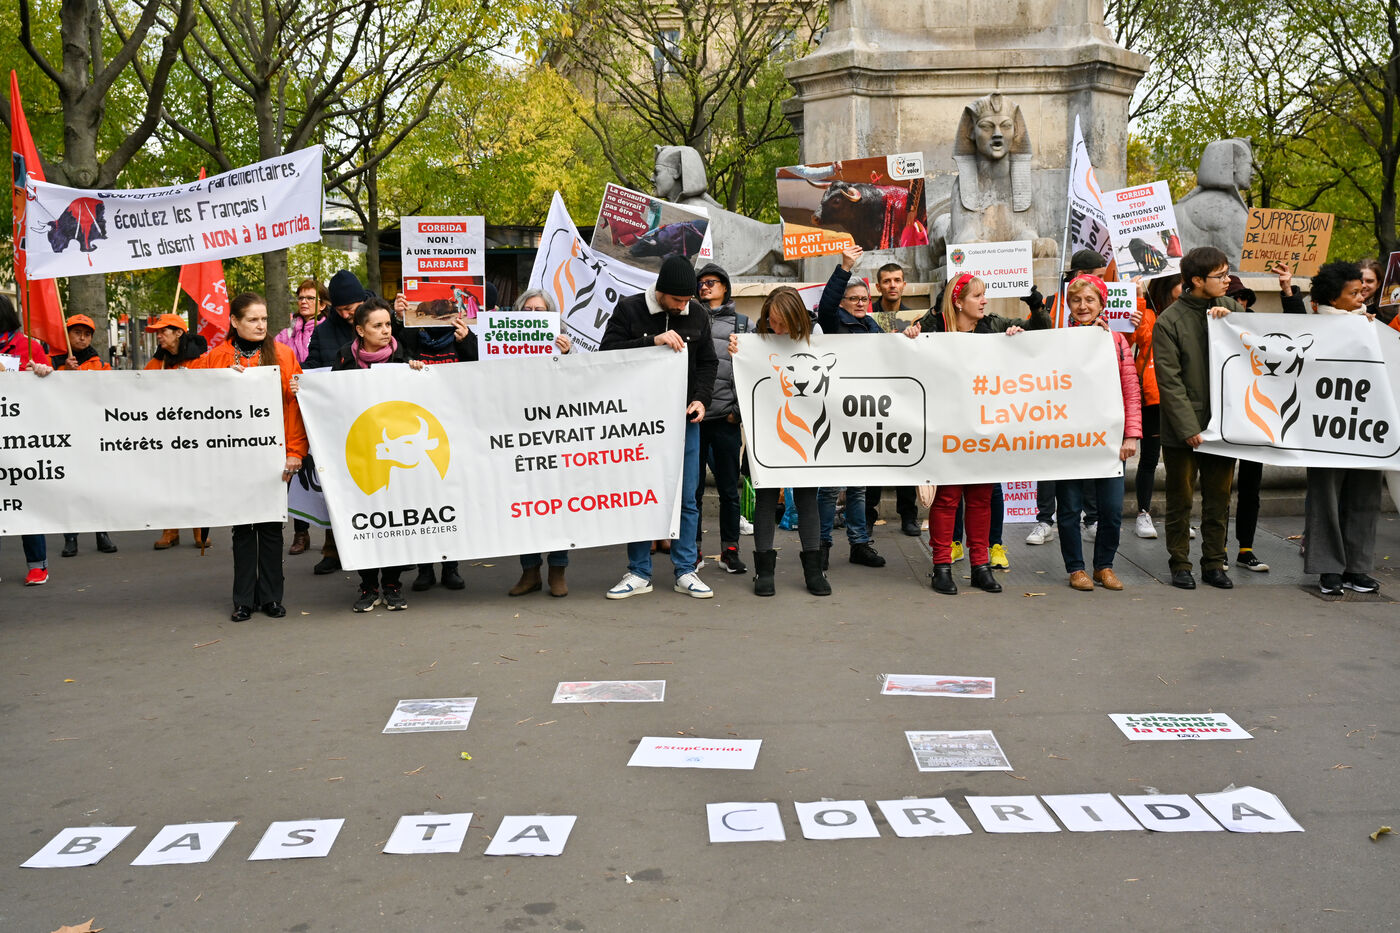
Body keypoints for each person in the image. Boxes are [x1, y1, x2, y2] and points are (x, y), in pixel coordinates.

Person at [908, 273, 1050, 594]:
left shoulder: (994, 326)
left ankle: (980, 567)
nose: (984, 300)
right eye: (977, 296)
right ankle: (942, 567)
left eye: (984, 294)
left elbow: (1041, 333)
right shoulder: (934, 329)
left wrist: (1030, 318)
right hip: (947, 429)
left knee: (981, 498)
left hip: (984, 428)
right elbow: (905, 353)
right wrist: (910, 335)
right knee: (947, 499)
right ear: (958, 302)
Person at [600, 255, 717, 599]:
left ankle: (686, 570)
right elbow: (606, 354)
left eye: (688, 300)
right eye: (678, 300)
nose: (683, 306)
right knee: (639, 494)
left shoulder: (697, 314)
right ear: (660, 292)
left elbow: (708, 362)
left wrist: (701, 399)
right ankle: (639, 571)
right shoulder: (629, 309)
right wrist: (651, 341)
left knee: (687, 497)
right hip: (638, 422)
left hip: (683, 419)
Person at [194, 292, 307, 620]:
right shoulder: (215, 358)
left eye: (264, 319)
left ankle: (271, 597)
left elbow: (295, 410)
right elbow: (187, 393)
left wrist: (295, 452)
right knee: (243, 528)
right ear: (234, 321)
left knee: (271, 527)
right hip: (235, 459)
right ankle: (243, 599)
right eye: (253, 319)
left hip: (276, 457)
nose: (260, 325)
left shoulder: (284, 355)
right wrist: (218, 382)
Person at [726, 287, 830, 596]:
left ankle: (814, 570)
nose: (777, 329)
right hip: (769, 428)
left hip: (807, 429)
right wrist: (738, 355)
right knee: (767, 497)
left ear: (797, 318)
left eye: (784, 323)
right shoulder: (757, 336)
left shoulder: (816, 334)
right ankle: (764, 572)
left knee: (807, 498)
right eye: (772, 321)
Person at [1152, 246, 1241, 590]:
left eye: (1227, 273)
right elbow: (1169, 381)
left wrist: (1231, 321)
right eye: (1220, 275)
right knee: (1181, 499)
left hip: (1224, 425)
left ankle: (1214, 563)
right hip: (1183, 430)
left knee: (1219, 499)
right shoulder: (1169, 321)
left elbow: (1259, 345)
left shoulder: (1232, 309)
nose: (1228, 280)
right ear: (1197, 280)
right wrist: (1188, 427)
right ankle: (1180, 563)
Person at [332, 298, 428, 611]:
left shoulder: (403, 358)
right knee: (364, 518)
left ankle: (392, 583)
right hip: (361, 452)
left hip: (395, 457)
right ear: (360, 330)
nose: (386, 330)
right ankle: (368, 585)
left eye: (388, 324)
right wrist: (302, 389)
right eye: (378, 325)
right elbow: (328, 399)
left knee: (394, 518)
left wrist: (417, 372)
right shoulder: (344, 358)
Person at [1055, 274, 1141, 590]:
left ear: (1101, 304)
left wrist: (1130, 435)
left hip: (1108, 440)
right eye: (1076, 300)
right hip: (1068, 439)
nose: (1082, 306)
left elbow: (1130, 390)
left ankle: (1104, 566)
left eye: (1089, 300)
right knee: (1069, 509)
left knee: (1112, 510)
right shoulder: (1056, 340)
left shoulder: (1115, 342)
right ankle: (1076, 569)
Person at [1303, 261, 1383, 595]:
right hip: (1327, 428)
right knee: (1326, 497)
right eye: (1353, 293)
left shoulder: (1372, 325)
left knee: (1366, 494)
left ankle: (1357, 567)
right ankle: (1329, 569)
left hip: (1366, 426)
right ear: (1333, 299)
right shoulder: (1312, 328)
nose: (1361, 297)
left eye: (1362, 291)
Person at [390, 296, 479, 593]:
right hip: (418, 431)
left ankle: (451, 566)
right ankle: (425, 568)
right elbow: (396, 357)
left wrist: (467, 341)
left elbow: (480, 371)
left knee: (450, 501)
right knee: (421, 503)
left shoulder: (464, 334)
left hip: (454, 430)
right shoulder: (412, 333)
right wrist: (399, 317)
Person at [1025, 248, 1109, 547]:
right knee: (1048, 461)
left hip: (1086, 402)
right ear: (1079, 275)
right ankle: (1045, 520)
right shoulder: (1050, 304)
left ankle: (1092, 518)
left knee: (1087, 458)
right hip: (1051, 398)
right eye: (1098, 276)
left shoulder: (1100, 314)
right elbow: (1031, 339)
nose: (1103, 282)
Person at [814, 245, 887, 571]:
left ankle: (859, 543)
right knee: (830, 488)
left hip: (864, 415)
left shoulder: (872, 327)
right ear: (842, 302)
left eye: (864, 299)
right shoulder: (833, 323)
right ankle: (821, 545)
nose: (860, 303)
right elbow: (827, 302)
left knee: (858, 487)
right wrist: (844, 268)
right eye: (854, 298)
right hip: (835, 415)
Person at [506, 289, 574, 597]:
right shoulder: (504, 344)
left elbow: (581, 383)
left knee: (557, 503)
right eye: (528, 310)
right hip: (519, 433)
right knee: (525, 503)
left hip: (554, 433)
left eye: (540, 310)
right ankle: (530, 571)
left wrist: (567, 356)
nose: (534, 315)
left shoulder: (565, 342)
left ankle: (558, 569)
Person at [303, 270, 368, 573]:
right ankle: (332, 549)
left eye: (350, 309)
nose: (344, 315)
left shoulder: (379, 318)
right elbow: (312, 365)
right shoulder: (323, 331)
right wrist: (302, 377)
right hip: (338, 419)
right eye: (339, 309)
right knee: (336, 485)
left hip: (374, 417)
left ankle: (381, 549)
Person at [693, 262, 749, 576]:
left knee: (729, 490)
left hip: (726, 420)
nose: (704, 287)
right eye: (700, 283)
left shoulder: (742, 324)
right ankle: (693, 550)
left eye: (711, 282)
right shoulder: (689, 318)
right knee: (693, 491)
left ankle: (730, 550)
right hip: (694, 419)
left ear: (725, 287)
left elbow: (752, 371)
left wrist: (736, 413)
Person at [47, 314, 118, 557]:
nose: (82, 338)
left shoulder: (100, 364)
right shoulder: (51, 362)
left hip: (93, 433)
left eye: (87, 334)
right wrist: (63, 372)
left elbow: (109, 393)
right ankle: (71, 537)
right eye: (77, 332)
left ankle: (102, 533)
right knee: (70, 486)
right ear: (66, 335)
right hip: (64, 434)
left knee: (98, 485)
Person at [143, 312, 211, 551]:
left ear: (179, 333)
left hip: (195, 433)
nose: (159, 336)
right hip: (165, 434)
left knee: (196, 479)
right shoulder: (155, 364)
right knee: (168, 481)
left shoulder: (202, 361)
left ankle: (200, 529)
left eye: (163, 331)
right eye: (158, 332)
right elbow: (140, 393)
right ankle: (170, 531)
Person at [0, 295, 52, 585]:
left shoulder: (29, 347)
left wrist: (43, 372)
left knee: (25, 503)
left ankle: (37, 565)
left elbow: (51, 389)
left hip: (22, 439)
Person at [867, 261, 921, 538]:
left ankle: (908, 515)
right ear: (878, 286)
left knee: (905, 457)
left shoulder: (915, 318)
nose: (892, 285)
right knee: (874, 458)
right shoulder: (866, 316)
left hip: (904, 394)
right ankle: (868, 515)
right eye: (887, 281)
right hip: (873, 395)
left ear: (904, 284)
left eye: (897, 280)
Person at [1128, 274, 1180, 540]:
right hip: (1154, 397)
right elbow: (1135, 338)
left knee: (1179, 462)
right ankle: (1143, 513)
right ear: (1168, 287)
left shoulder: (1187, 314)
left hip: (1179, 398)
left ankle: (1178, 516)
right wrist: (1138, 298)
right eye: (1182, 283)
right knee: (1149, 458)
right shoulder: (1148, 314)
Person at [279, 277, 326, 556]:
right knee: (299, 470)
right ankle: (301, 532)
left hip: (319, 406)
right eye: (301, 297)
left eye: (310, 297)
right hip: (293, 406)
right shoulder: (287, 333)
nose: (304, 302)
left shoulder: (326, 330)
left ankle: (333, 537)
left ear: (324, 303)